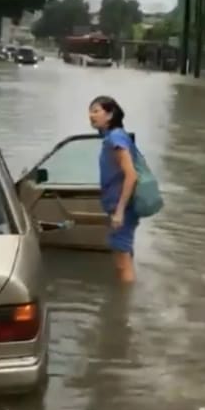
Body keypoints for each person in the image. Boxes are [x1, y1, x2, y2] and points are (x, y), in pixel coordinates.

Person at [88, 96, 139, 284]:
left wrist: (119, 211)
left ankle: (123, 308)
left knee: (122, 262)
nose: (91, 115)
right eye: (90, 111)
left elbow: (131, 175)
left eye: (96, 111)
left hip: (123, 207)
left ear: (109, 114)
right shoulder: (111, 137)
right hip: (121, 206)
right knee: (123, 257)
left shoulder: (116, 137)